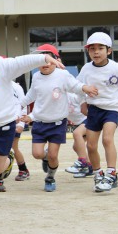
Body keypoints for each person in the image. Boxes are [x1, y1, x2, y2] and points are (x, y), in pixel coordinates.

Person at [0, 33, 65, 213]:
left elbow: (21, 61)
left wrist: (45, 58)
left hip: (4, 126)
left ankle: (8, 159)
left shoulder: (0, 65)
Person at [20, 44, 97, 192]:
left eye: (49, 60)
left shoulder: (63, 75)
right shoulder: (36, 77)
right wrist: (18, 106)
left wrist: (85, 88)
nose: (45, 64)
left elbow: (75, 86)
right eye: (42, 61)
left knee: (54, 155)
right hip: (40, 123)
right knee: (37, 154)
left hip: (57, 123)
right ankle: (45, 157)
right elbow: (31, 95)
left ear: (57, 60)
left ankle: (50, 177)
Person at [76, 32, 118, 192]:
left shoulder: (116, 68)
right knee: (92, 145)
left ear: (109, 50)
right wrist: (82, 104)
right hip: (93, 109)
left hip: (112, 109)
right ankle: (98, 173)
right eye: (92, 49)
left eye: (100, 48)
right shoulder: (86, 69)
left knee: (107, 139)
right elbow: (77, 87)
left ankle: (111, 173)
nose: (96, 52)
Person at [64, 93, 93, 178]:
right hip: (78, 123)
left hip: (89, 119)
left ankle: (82, 161)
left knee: (77, 133)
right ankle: (89, 167)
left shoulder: (74, 95)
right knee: (76, 147)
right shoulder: (58, 100)